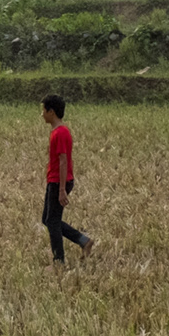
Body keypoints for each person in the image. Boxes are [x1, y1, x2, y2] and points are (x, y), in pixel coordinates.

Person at [40, 94, 95, 265]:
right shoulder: (57, 132)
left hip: (59, 182)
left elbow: (63, 161)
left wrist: (62, 189)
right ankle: (83, 240)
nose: (42, 114)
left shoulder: (61, 133)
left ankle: (59, 262)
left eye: (44, 110)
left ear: (52, 112)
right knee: (48, 220)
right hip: (55, 181)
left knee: (52, 222)